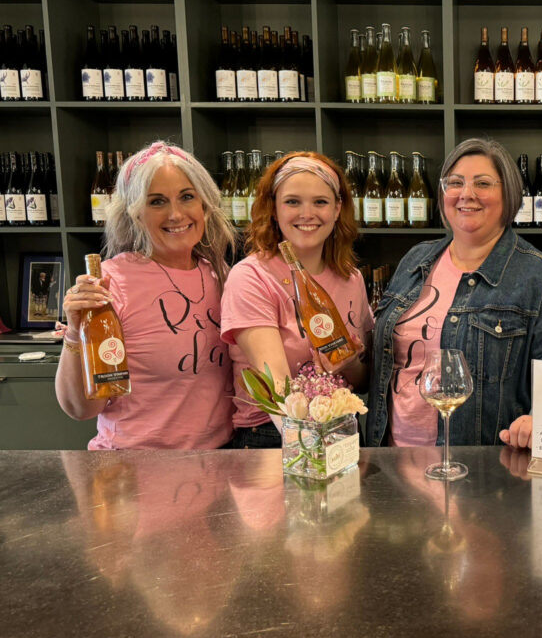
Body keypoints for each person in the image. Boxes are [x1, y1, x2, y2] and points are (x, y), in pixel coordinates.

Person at [367, 138, 542, 448]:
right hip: (392, 461)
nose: (466, 194)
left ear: (509, 194)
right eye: (455, 183)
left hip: (481, 478)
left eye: (482, 183)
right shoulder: (415, 260)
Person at [55, 142, 236, 449]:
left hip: (216, 464)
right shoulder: (111, 284)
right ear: (135, 214)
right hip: (135, 469)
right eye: (157, 202)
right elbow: (81, 409)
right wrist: (75, 334)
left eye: (187, 197)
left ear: (205, 206)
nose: (176, 214)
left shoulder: (222, 275)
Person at [220, 151, 372, 449]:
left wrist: (350, 363)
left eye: (320, 202)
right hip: (275, 435)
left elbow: (363, 381)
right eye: (292, 202)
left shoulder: (350, 278)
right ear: (273, 209)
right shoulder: (251, 277)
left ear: (338, 208)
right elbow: (278, 388)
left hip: (343, 428)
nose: (307, 213)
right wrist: (309, 448)